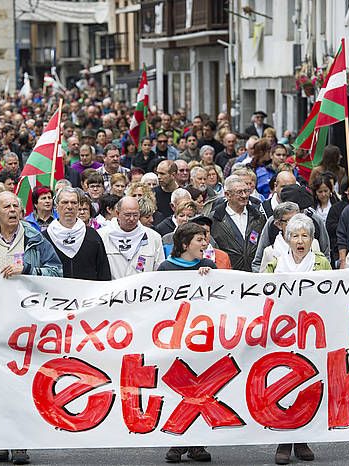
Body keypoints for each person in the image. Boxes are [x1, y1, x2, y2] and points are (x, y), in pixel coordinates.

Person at [0, 190, 62, 465]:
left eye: (16, 206)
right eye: (7, 206)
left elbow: (57, 272)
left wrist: (28, 270)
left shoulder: (34, 238)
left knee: (23, 383)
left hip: (28, 323)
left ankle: (19, 443)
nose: (13, 210)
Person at [262, 213, 328, 465]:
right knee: (282, 383)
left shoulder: (322, 263)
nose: (300, 240)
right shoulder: (274, 262)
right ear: (287, 239)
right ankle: (284, 441)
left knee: (307, 383)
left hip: (311, 332)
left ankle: (302, 440)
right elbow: (258, 292)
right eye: (295, 236)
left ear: (312, 240)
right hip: (282, 333)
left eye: (305, 236)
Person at [158, 222, 215, 463]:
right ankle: (177, 440)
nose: (205, 244)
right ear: (184, 244)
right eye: (199, 240)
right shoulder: (165, 269)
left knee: (202, 389)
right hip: (175, 339)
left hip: (202, 339)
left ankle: (197, 444)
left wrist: (207, 276)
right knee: (177, 389)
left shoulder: (209, 267)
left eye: (205, 239)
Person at [43, 187, 111, 280]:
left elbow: (103, 271)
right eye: (65, 202)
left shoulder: (92, 236)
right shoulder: (44, 239)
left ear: (78, 206)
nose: (69, 206)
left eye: (74, 203)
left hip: (89, 293)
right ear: (56, 206)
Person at [98, 196, 164, 279]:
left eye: (135, 215)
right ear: (117, 213)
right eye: (127, 215)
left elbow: (159, 271)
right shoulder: (101, 236)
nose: (132, 219)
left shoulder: (154, 238)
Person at [210, 175, 266, 271]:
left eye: (246, 191)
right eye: (239, 192)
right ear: (227, 195)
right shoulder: (215, 218)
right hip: (228, 273)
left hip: (255, 273)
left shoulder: (258, 216)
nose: (244, 196)